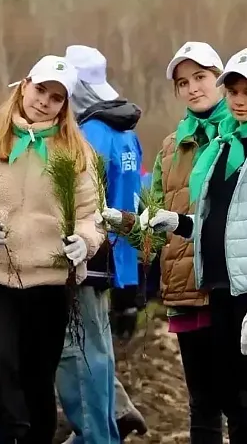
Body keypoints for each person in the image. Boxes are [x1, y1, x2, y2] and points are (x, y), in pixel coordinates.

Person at [0, 55, 105, 444]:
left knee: (37, 375)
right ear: (25, 84)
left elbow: (92, 214)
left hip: (49, 280)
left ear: (65, 106)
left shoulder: (78, 152)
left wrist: (85, 241)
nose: (44, 101)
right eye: (40, 90)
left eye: (56, 97)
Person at [143, 48, 247, 444]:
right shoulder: (227, 146)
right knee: (233, 402)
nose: (240, 100)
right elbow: (227, 226)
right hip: (223, 293)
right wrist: (180, 223)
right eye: (233, 91)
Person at [103, 41, 229, 443]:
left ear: (220, 80)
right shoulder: (172, 147)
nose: (193, 88)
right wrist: (121, 224)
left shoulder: (244, 136)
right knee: (202, 405)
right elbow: (152, 229)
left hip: (233, 290)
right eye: (183, 82)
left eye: (201, 78)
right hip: (185, 291)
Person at [55, 45, 145, 444]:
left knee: (76, 353)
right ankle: (103, 430)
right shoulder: (125, 133)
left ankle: (97, 435)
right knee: (98, 349)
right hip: (115, 257)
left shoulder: (87, 136)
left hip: (86, 255)